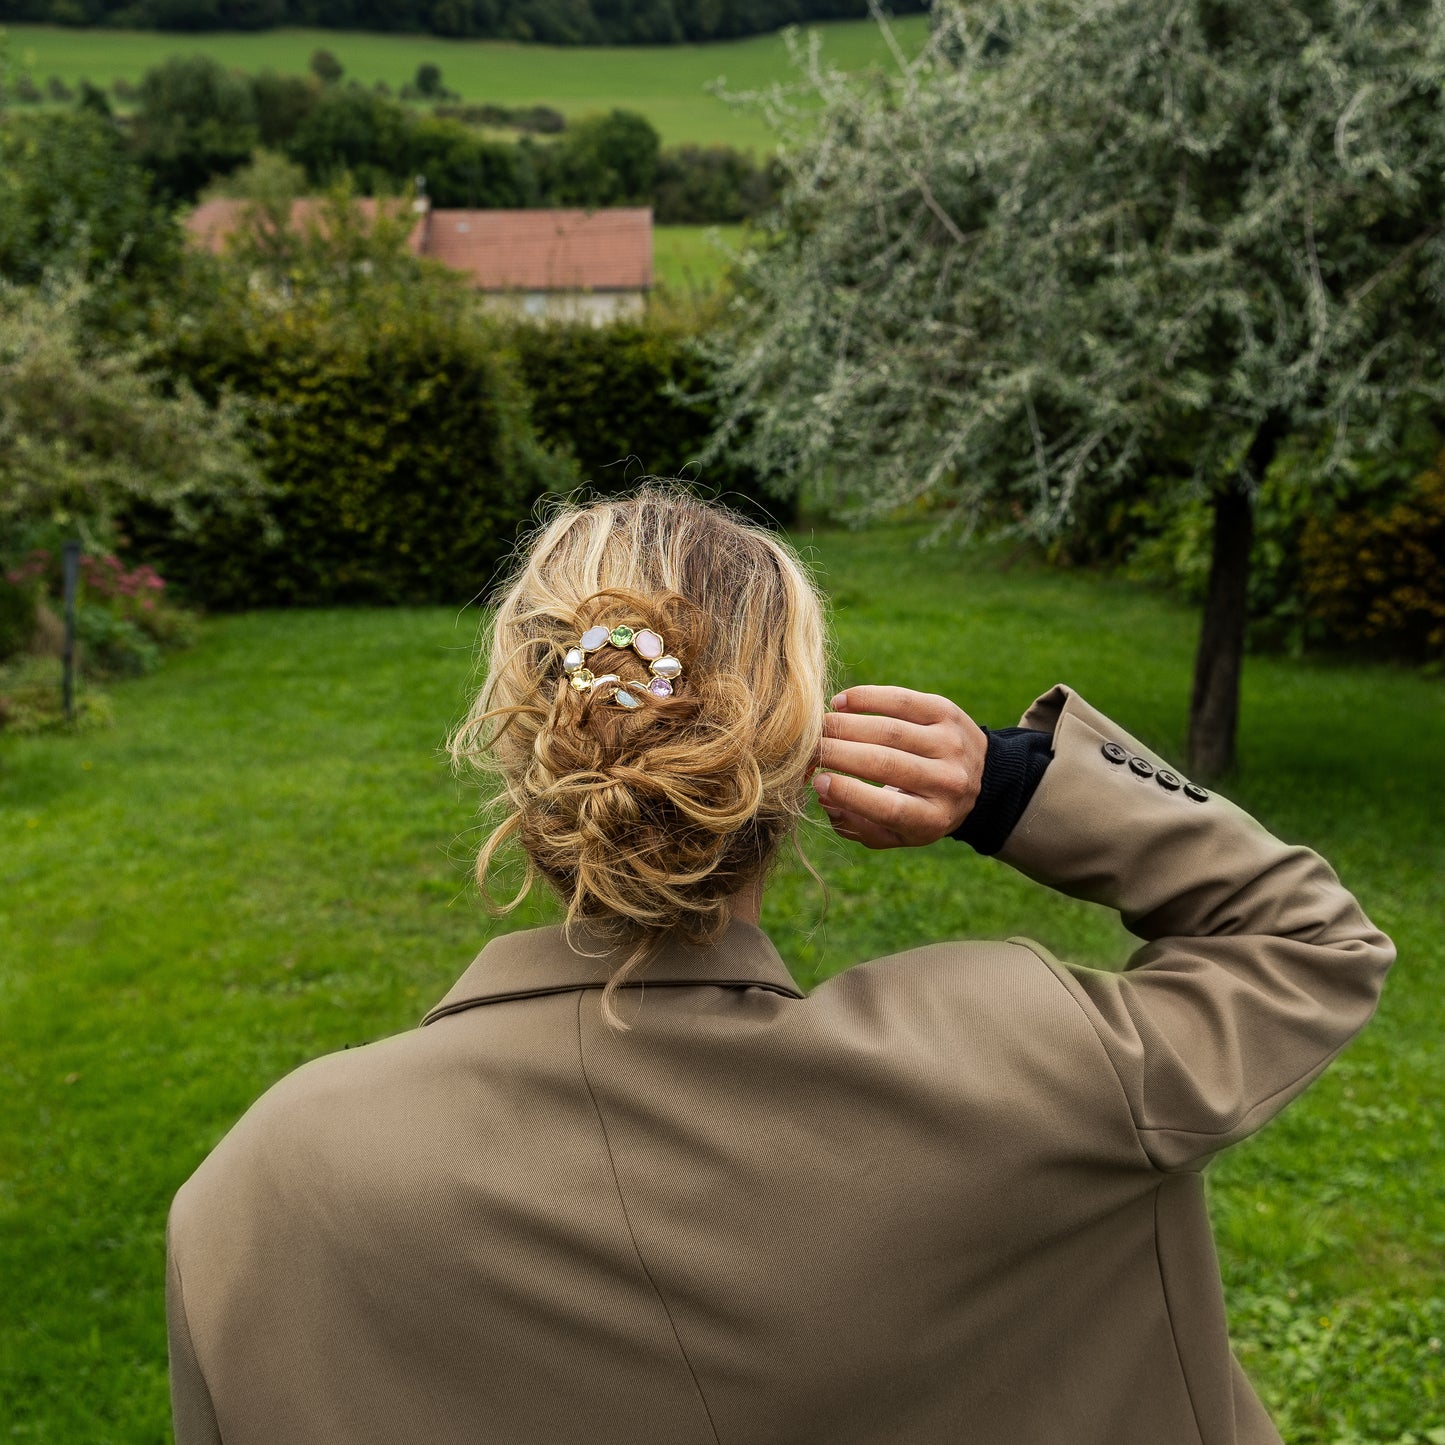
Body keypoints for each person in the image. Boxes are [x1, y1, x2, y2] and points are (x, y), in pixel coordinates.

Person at [166, 486, 1393, 1445]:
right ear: (795, 746)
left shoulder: (259, 1193)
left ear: (519, 740)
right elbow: (1306, 939)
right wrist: (1010, 782)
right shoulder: (1026, 1065)